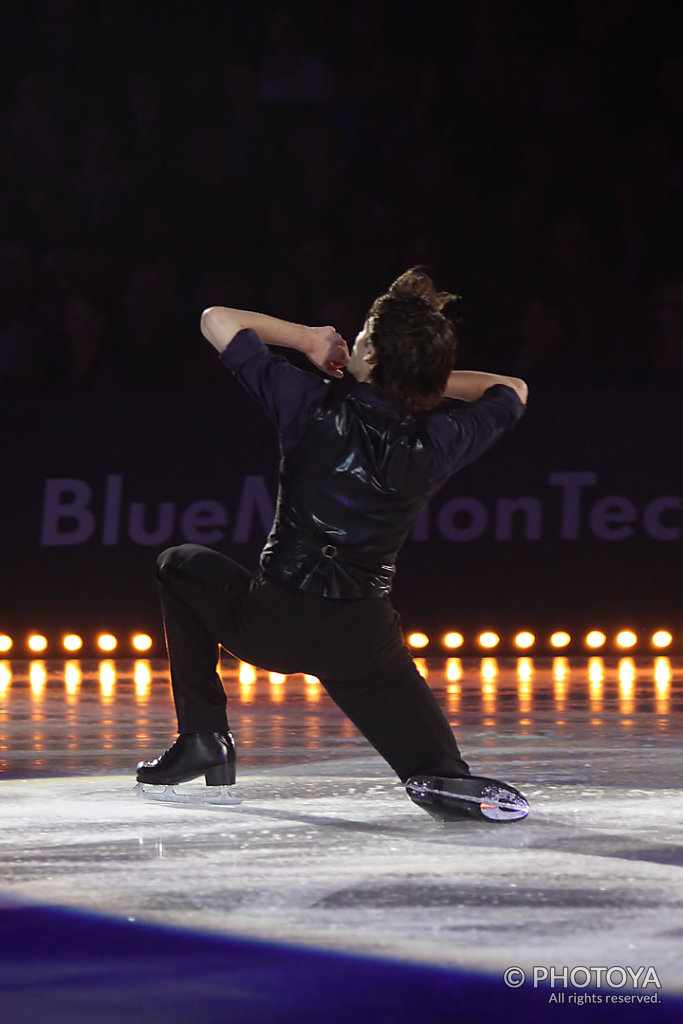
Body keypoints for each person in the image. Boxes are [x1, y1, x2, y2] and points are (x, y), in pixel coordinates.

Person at [137, 268, 530, 821]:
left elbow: (216, 320)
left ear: (367, 349)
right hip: (363, 645)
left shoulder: (308, 401)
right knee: (437, 773)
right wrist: (418, 383)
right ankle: (441, 776)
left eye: (364, 332)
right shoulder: (440, 440)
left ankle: (203, 737)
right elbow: (512, 389)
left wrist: (307, 339)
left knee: (177, 565)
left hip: (273, 622)